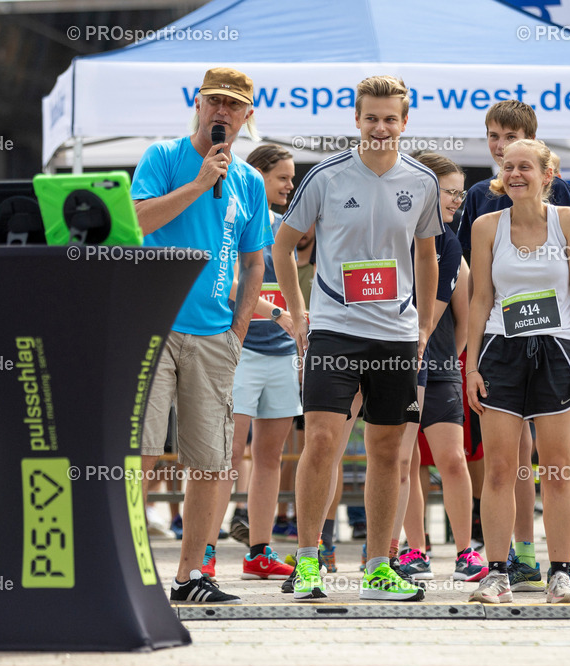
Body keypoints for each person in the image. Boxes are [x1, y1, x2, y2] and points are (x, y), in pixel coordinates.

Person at [273, 75, 441, 602]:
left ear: (405, 122)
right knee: (322, 441)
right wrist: (299, 313)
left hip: (394, 335)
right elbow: (283, 246)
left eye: (391, 118)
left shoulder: (422, 181)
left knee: (389, 451)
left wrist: (424, 326)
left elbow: (429, 256)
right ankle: (306, 565)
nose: (381, 126)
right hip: (334, 331)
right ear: (356, 119)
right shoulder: (324, 176)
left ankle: (376, 568)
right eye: (372, 117)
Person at [133, 67, 272, 604]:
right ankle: (128, 566)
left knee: (214, 461)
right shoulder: (164, 158)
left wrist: (237, 331)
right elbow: (139, 221)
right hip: (155, 326)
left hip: (215, 336)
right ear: (197, 103)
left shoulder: (249, 181)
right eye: (214, 101)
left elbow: (254, 261)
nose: (222, 112)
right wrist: (197, 184)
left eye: (233, 105)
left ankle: (192, 575)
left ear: (246, 115)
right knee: (140, 452)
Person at [457, 100, 570, 593]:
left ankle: (560, 570)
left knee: (557, 467)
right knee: (499, 467)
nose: (514, 172)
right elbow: (480, 299)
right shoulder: (484, 227)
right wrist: (471, 365)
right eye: (507, 166)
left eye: (524, 166)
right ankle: (498, 572)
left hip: (559, 350)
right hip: (501, 349)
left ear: (547, 173)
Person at [207, 144, 302, 582]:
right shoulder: (237, 218)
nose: (289, 185)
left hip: (281, 354)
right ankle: (204, 549)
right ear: (257, 176)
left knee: (270, 456)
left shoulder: (286, 227)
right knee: (226, 454)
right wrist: (279, 314)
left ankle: (259, 551)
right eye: (282, 177)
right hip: (240, 350)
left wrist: (300, 323)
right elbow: (226, 283)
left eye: (291, 177)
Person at [393, 152, 487, 583]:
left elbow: (462, 318)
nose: (457, 201)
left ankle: (466, 550)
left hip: (440, 361)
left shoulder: (449, 242)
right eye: (450, 192)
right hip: (395, 361)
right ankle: (415, 550)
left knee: (452, 459)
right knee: (403, 460)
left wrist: (449, 359)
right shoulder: (396, 232)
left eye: (460, 193)